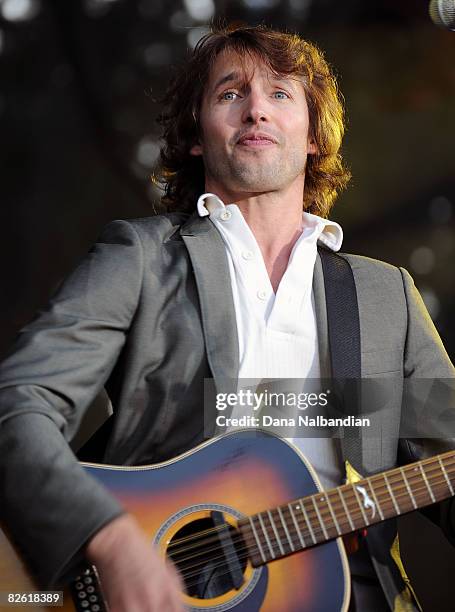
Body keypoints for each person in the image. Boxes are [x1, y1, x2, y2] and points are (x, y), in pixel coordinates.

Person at [0, 24, 454, 612]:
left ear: (315, 135)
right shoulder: (140, 259)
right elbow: (19, 403)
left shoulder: (384, 293)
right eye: (230, 93)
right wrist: (108, 540)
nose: (256, 110)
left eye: (281, 94)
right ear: (196, 137)